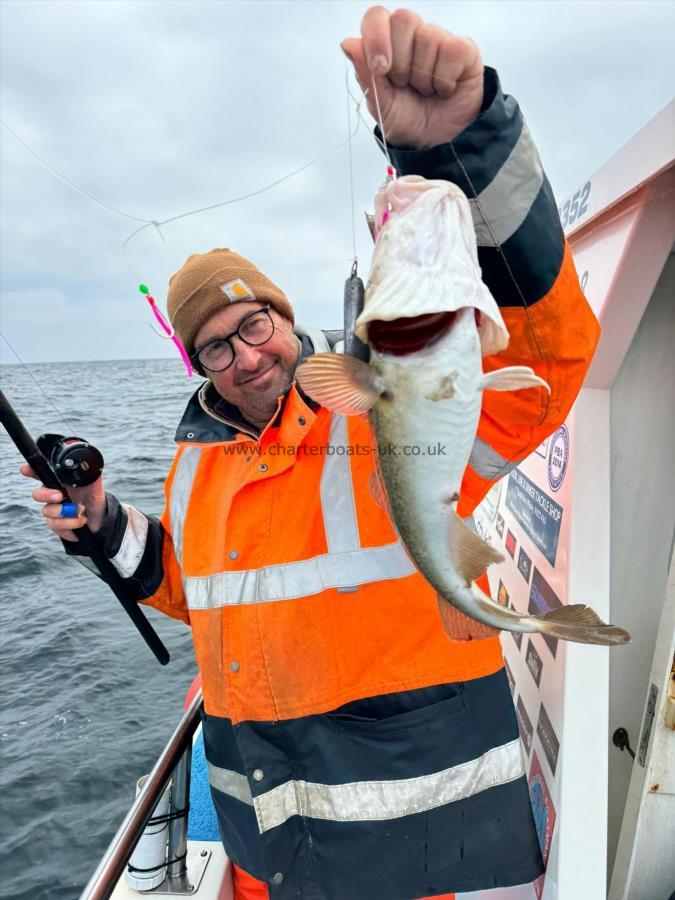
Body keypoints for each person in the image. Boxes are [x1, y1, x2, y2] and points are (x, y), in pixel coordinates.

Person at [23, 7, 600, 899]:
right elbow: (204, 592)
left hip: (410, 845)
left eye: (256, 322)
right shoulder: (198, 459)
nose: (246, 354)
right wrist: (102, 524)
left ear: (288, 319)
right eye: (216, 345)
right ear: (196, 365)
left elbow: (548, 358)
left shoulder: (375, 401)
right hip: (270, 847)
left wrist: (463, 150)